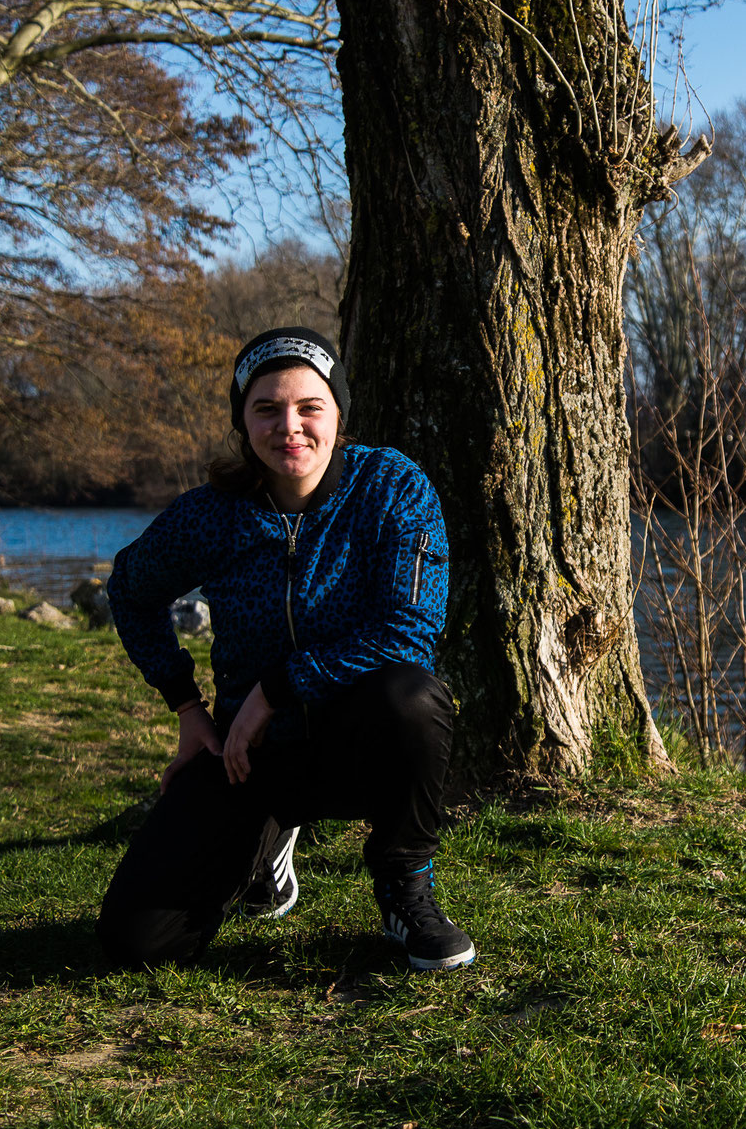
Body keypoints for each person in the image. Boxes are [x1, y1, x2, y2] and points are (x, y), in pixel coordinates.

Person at [96, 327, 474, 971]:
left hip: (361, 741)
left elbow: (408, 629)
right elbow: (129, 590)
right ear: (242, 423)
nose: (289, 427)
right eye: (266, 409)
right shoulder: (211, 515)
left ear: (338, 415)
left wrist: (276, 689)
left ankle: (404, 883)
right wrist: (187, 707)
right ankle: (264, 848)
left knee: (413, 695)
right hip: (251, 755)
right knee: (136, 944)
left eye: (309, 408)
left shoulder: (392, 487)